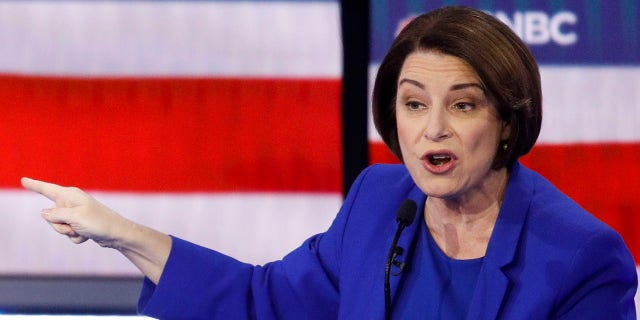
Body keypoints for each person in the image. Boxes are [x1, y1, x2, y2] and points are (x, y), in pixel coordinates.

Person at [21, 6, 637, 319]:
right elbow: (264, 302)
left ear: (506, 120)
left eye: (464, 105)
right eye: (414, 104)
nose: (434, 130)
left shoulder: (582, 258)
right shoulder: (378, 201)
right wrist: (123, 234)